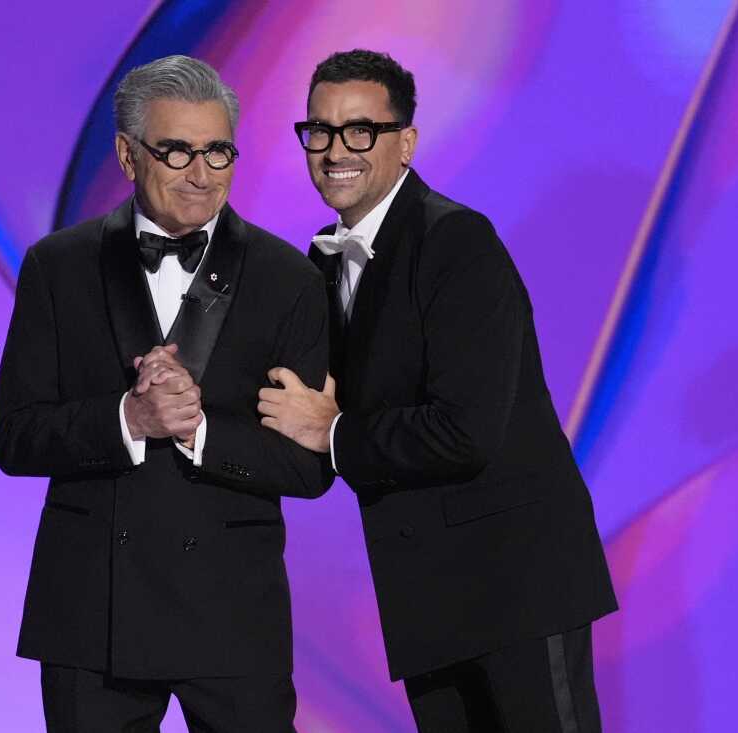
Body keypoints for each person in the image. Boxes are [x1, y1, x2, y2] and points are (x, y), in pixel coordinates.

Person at [257, 49, 617, 732]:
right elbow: (302, 398)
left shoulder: (457, 241)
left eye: (360, 130)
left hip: (517, 585)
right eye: (320, 130)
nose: (335, 150)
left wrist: (332, 431)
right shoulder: (321, 261)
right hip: (425, 600)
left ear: (406, 143)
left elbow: (465, 430)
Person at [0, 55, 331, 733]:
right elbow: (15, 437)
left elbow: (310, 468)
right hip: (93, 612)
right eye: (176, 151)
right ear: (128, 154)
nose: (201, 174)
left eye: (217, 151)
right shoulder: (58, 266)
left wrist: (197, 430)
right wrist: (131, 418)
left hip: (234, 614)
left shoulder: (290, 280)